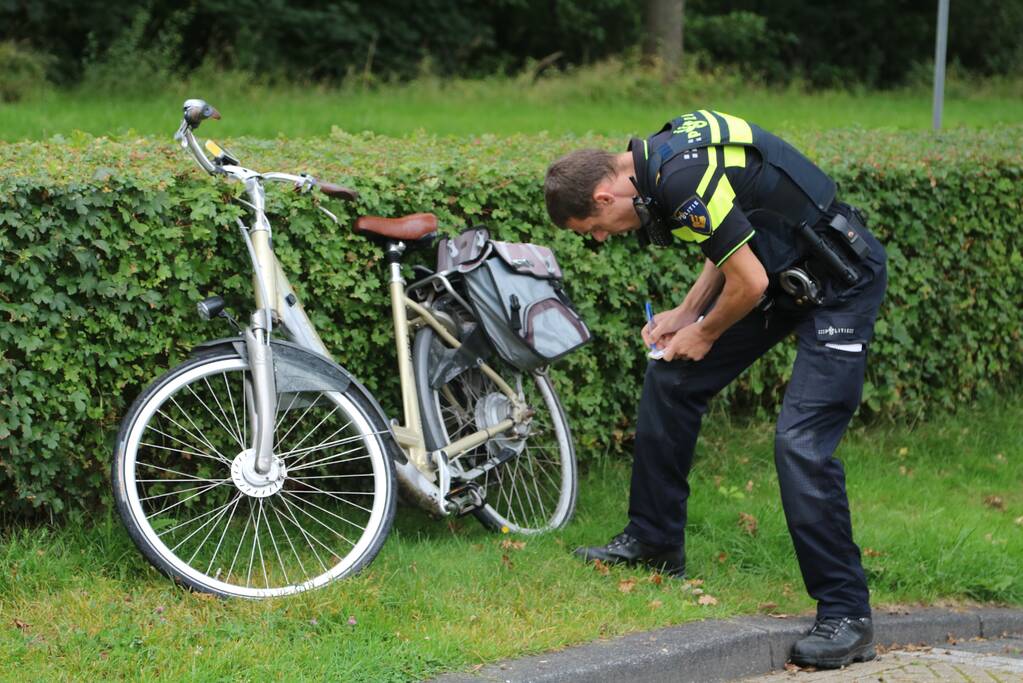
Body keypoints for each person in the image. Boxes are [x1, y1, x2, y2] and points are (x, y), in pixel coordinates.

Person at [543, 110, 887, 670]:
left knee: (800, 444)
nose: (604, 238)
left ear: (604, 197)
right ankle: (655, 542)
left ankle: (848, 616)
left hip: (839, 283)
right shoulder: (657, 158)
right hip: (780, 273)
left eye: (595, 232)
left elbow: (746, 282)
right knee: (670, 376)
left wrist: (704, 332)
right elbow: (726, 235)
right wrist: (686, 312)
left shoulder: (673, 177)